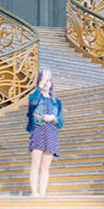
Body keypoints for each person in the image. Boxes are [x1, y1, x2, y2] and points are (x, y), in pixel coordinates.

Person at [26, 68, 64, 197]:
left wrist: (54, 118)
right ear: (39, 83)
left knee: (46, 166)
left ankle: (42, 193)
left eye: (49, 81)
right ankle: (34, 192)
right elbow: (32, 102)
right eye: (44, 81)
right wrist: (40, 84)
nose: (47, 83)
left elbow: (61, 124)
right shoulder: (35, 97)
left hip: (51, 132)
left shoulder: (57, 102)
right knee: (35, 164)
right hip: (38, 129)